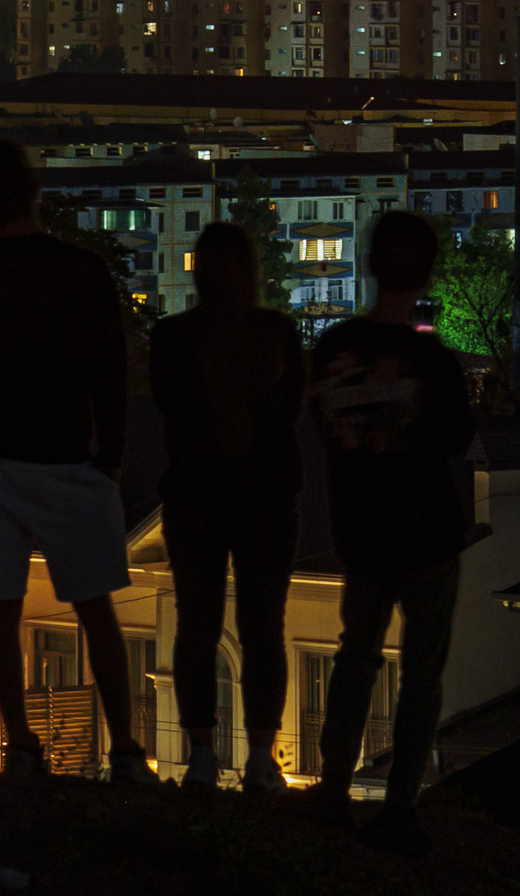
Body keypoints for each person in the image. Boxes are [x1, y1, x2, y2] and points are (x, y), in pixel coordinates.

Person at [0, 141, 155, 785]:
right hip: (69, 461)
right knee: (97, 610)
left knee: (1, 609)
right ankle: (123, 751)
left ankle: (23, 747)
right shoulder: (81, 272)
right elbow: (111, 372)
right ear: (36, 193)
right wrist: (109, 456)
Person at [304, 210, 475, 855]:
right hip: (429, 534)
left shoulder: (333, 350)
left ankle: (331, 789)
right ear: (427, 272)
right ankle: (401, 805)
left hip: (364, 531)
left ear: (371, 265)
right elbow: (457, 439)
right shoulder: (433, 360)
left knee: (356, 659)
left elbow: (324, 427)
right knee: (422, 673)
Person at [150, 222, 303, 793]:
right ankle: (262, 757)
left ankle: (202, 756)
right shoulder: (277, 334)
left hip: (195, 500)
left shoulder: (171, 339)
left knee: (197, 626)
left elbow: (170, 414)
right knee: (263, 625)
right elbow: (289, 414)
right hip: (266, 499)